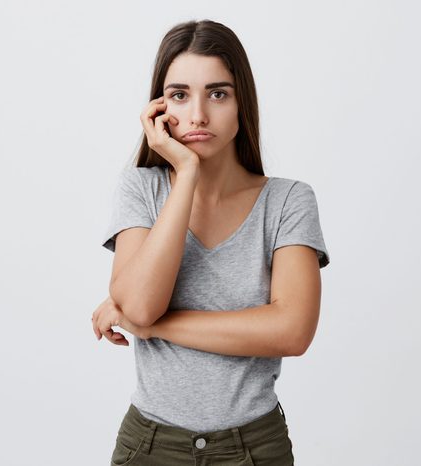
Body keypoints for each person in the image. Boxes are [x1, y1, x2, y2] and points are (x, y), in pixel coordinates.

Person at [91, 19, 330, 466]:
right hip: (151, 447)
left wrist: (154, 328)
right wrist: (186, 175)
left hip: (254, 449)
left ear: (242, 103)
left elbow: (292, 331)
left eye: (217, 93)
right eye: (180, 95)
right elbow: (141, 305)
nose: (198, 115)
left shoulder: (288, 201)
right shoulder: (141, 190)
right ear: (159, 108)